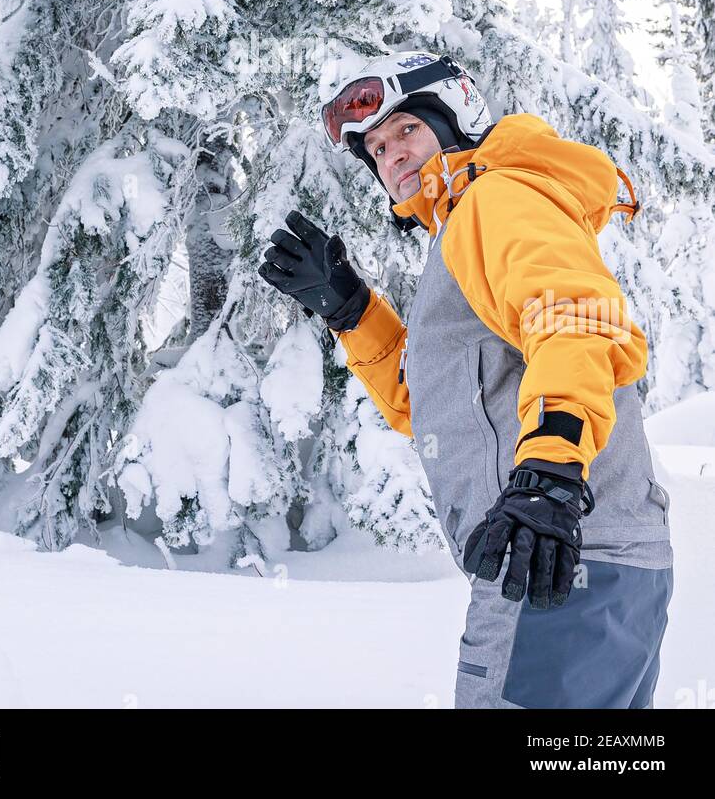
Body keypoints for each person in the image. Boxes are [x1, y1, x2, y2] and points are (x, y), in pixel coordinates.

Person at [257, 50, 674, 710]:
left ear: (455, 121)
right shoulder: (467, 224)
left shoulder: (495, 200)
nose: (391, 153)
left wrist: (550, 479)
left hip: (556, 557)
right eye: (376, 147)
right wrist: (351, 309)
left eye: (407, 131)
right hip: (588, 558)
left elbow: (574, 324)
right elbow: (443, 407)